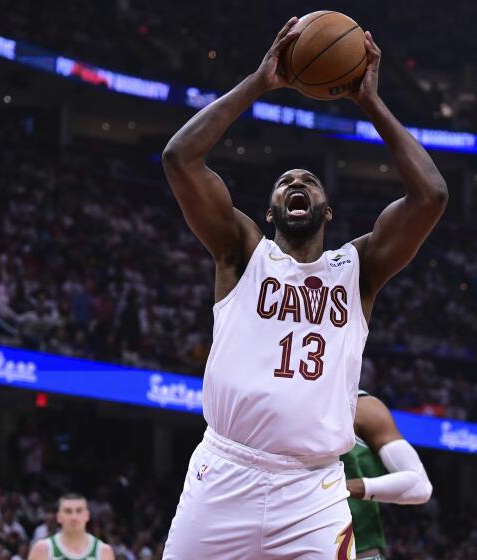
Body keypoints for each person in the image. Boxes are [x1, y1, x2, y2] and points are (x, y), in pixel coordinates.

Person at [161, 16, 447, 559]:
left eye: (309, 181)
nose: (297, 183)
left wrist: (370, 103)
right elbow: (179, 158)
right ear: (269, 211)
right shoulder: (242, 251)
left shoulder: (358, 267)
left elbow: (430, 196)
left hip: (313, 492)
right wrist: (259, 82)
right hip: (226, 472)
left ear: (327, 211)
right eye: (286, 182)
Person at [342, 391, 433, 559]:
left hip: (359, 551)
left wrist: (341, 487)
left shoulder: (364, 407)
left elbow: (420, 486)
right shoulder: (288, 403)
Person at [27, 493, 114, 560]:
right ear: (58, 517)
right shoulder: (42, 549)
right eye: (68, 511)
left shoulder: (103, 552)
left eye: (79, 511)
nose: (74, 517)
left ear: (87, 515)